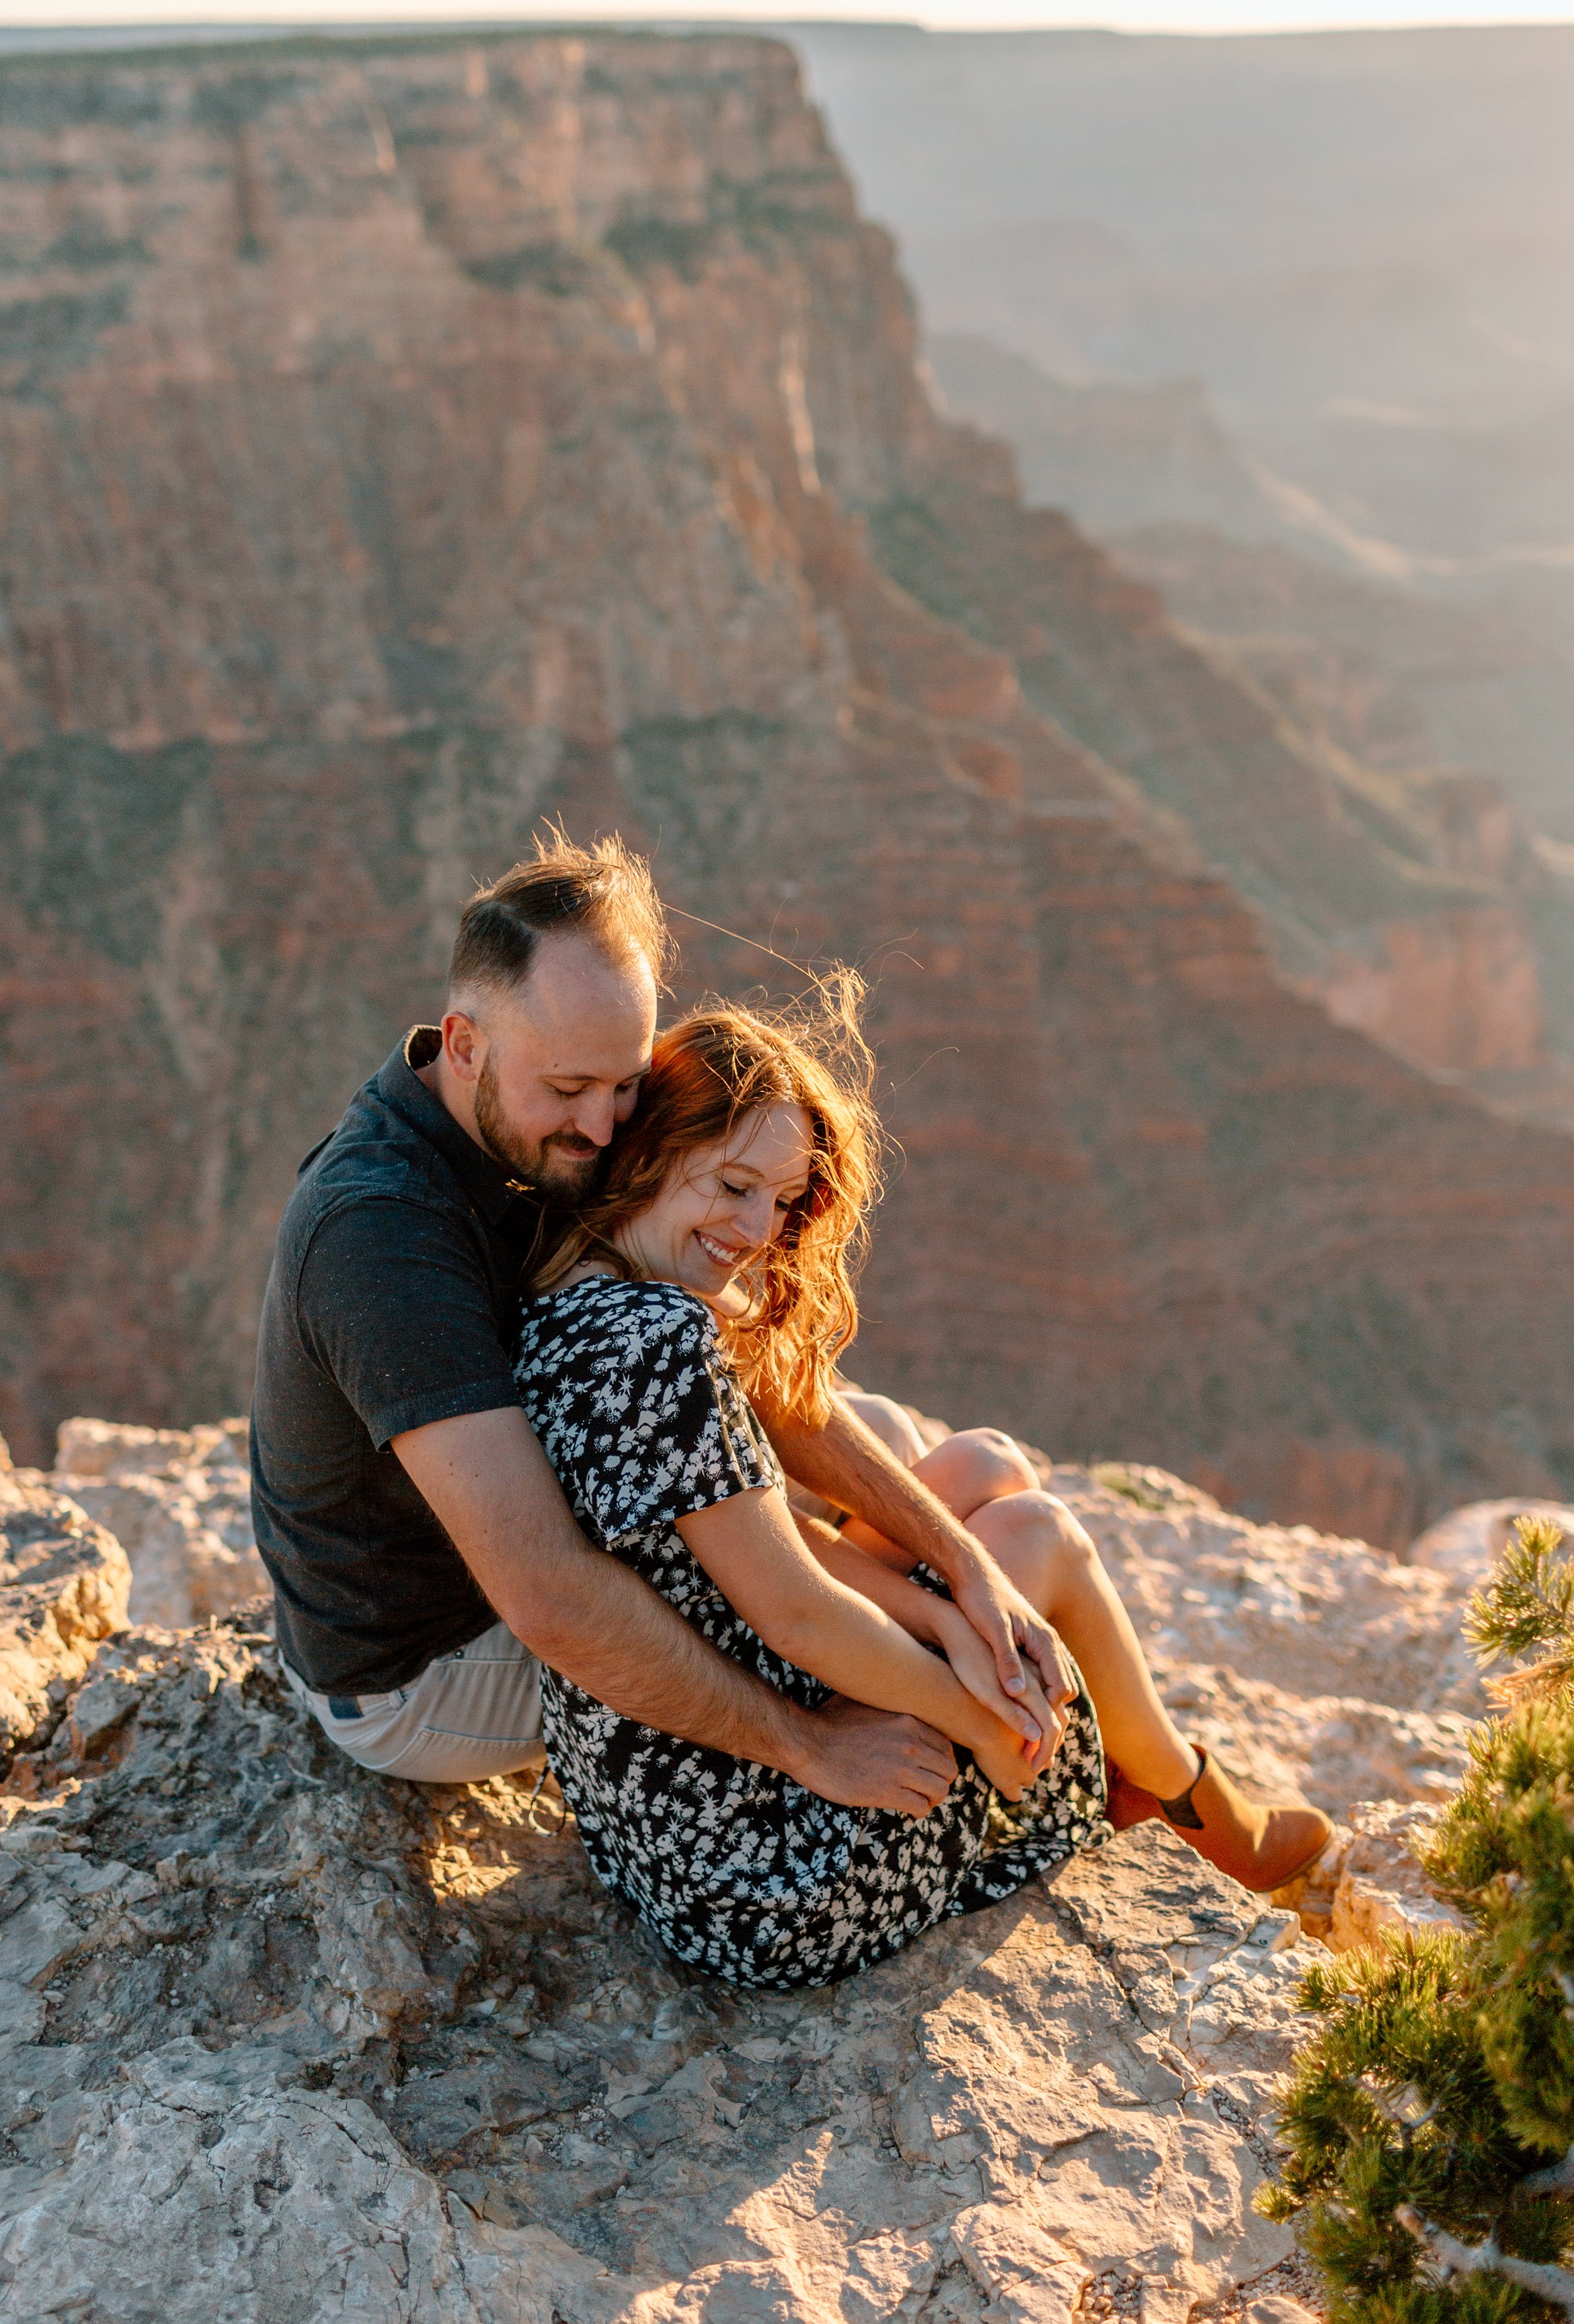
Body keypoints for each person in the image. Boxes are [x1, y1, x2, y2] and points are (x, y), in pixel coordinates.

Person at [510, 985, 1334, 1986]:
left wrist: (951, 1598)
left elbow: (732, 1538)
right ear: (650, 1150)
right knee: (1039, 1534)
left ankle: (1165, 1776)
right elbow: (798, 1615)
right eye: (731, 1185)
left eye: (777, 1201)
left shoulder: (575, 1281)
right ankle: (1181, 1791)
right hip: (765, 1875)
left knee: (980, 1468)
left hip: (661, 1829)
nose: (754, 1230)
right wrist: (979, 1718)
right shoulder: (659, 1343)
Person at [249, 830, 1080, 1811]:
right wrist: (808, 1742)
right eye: (569, 1090)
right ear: (463, 1042)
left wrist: (961, 1559)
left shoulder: (535, 1125)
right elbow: (553, 1597)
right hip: (419, 1674)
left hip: (517, 1566)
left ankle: (1022, 1675)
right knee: (835, 1583)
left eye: (627, 1083)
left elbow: (773, 1390)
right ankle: (1089, 1764)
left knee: (901, 1455)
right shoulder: (381, 1233)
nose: (605, 1130)